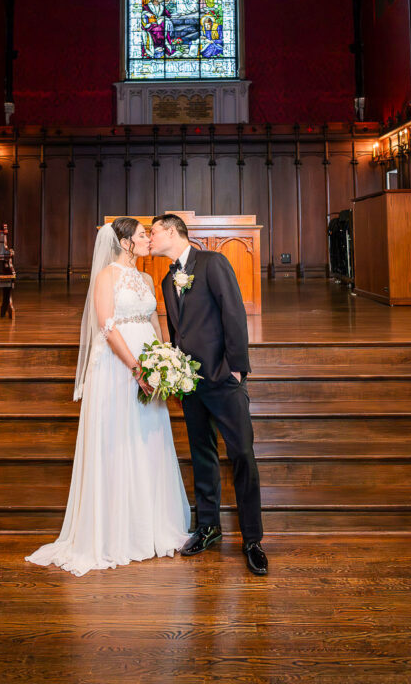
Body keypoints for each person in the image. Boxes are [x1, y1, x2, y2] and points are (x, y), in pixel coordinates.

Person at [25, 218, 190, 576]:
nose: (149, 239)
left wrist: (165, 361)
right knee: (119, 440)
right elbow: (107, 325)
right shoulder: (106, 277)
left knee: (148, 439)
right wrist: (136, 368)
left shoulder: (147, 279)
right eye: (143, 235)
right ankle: (115, 532)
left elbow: (156, 320)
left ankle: (150, 526)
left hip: (149, 364)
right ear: (126, 242)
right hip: (118, 370)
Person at [149, 214, 267, 576]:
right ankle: (209, 526)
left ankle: (252, 539)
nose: (149, 239)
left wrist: (237, 369)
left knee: (242, 454)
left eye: (153, 233)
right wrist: (175, 368)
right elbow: (176, 329)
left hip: (223, 377)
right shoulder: (169, 278)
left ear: (171, 231)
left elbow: (233, 312)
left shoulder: (213, 262)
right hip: (190, 383)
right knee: (202, 455)